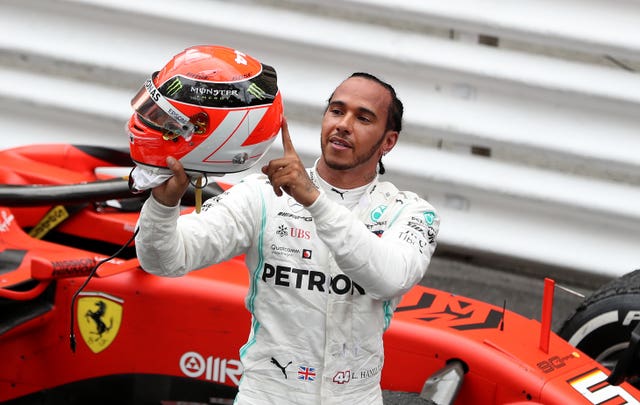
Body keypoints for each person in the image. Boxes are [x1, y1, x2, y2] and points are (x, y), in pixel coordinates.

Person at [135, 72, 440, 404]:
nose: (343, 124)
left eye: (363, 118)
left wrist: (314, 201)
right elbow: (163, 261)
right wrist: (162, 206)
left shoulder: (410, 212)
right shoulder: (263, 194)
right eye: (337, 111)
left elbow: (389, 278)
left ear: (388, 141)